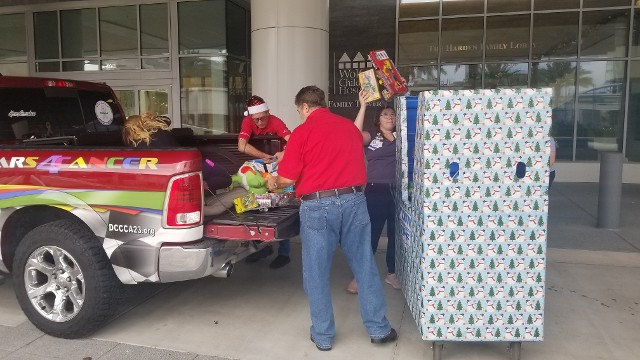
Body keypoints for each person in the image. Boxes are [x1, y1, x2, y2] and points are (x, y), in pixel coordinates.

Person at [266, 85, 397, 351]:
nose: (300, 116)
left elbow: (287, 179)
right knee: (364, 265)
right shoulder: (348, 128)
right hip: (355, 201)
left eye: (299, 112)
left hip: (318, 206)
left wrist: (272, 182)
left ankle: (324, 336)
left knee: (316, 272)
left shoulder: (302, 132)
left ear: (304, 107)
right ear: (323, 103)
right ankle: (379, 329)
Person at [346, 89, 401, 295]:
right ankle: (360, 276)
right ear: (378, 119)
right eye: (385, 114)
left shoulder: (401, 135)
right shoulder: (372, 134)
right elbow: (353, 135)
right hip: (375, 191)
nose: (390, 117)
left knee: (396, 235)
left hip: (397, 191)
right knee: (372, 235)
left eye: (393, 114)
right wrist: (363, 105)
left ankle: (392, 273)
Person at [123, 113, 232, 199]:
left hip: (175, 174)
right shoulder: (161, 133)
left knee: (214, 170)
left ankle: (202, 185)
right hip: (188, 166)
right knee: (225, 176)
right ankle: (203, 185)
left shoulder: (133, 147)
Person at [239, 96, 292, 269]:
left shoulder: (275, 121)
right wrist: (264, 158)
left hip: (277, 171)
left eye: (264, 117)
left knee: (281, 209)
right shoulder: (248, 121)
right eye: (257, 119)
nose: (261, 122)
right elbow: (241, 146)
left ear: (269, 113)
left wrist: (281, 156)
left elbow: (292, 142)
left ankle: (284, 253)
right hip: (257, 171)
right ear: (250, 117)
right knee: (253, 209)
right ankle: (261, 247)